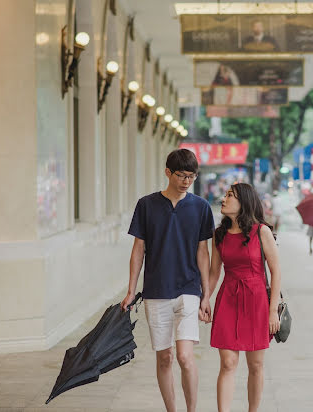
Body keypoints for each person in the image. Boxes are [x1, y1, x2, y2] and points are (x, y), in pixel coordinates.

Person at [120, 149, 215, 412]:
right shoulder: (147, 205)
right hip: (156, 290)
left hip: (188, 289)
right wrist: (131, 291)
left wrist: (206, 295)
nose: (186, 181)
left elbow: (202, 252)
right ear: (167, 173)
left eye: (191, 176)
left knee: (185, 357)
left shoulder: (201, 207)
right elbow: (139, 248)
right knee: (164, 358)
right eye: (182, 175)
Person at [207, 183, 281, 412]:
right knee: (228, 363)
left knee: (256, 365)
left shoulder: (261, 232)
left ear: (243, 202)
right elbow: (214, 272)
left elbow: (276, 271)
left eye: (230, 195)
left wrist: (272, 311)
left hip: (257, 301)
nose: (224, 198)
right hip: (228, 298)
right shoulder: (219, 235)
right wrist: (204, 300)